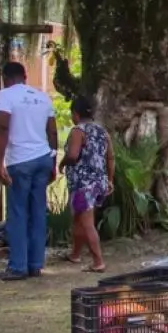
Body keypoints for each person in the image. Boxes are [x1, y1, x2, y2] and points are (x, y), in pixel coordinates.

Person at [0, 62, 58, 281]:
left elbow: (2, 127)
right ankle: (35, 264)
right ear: (25, 76)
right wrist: (53, 161)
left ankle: (18, 266)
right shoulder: (43, 97)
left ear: (6, 78)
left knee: (18, 213)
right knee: (38, 212)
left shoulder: (5, 95)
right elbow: (52, 131)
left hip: (20, 161)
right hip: (43, 158)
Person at [59, 96, 114, 273]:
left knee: (87, 222)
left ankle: (98, 262)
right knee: (78, 218)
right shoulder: (103, 132)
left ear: (75, 114)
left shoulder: (78, 131)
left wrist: (62, 163)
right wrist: (110, 180)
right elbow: (110, 157)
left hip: (83, 185)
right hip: (99, 183)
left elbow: (73, 155)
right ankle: (75, 254)